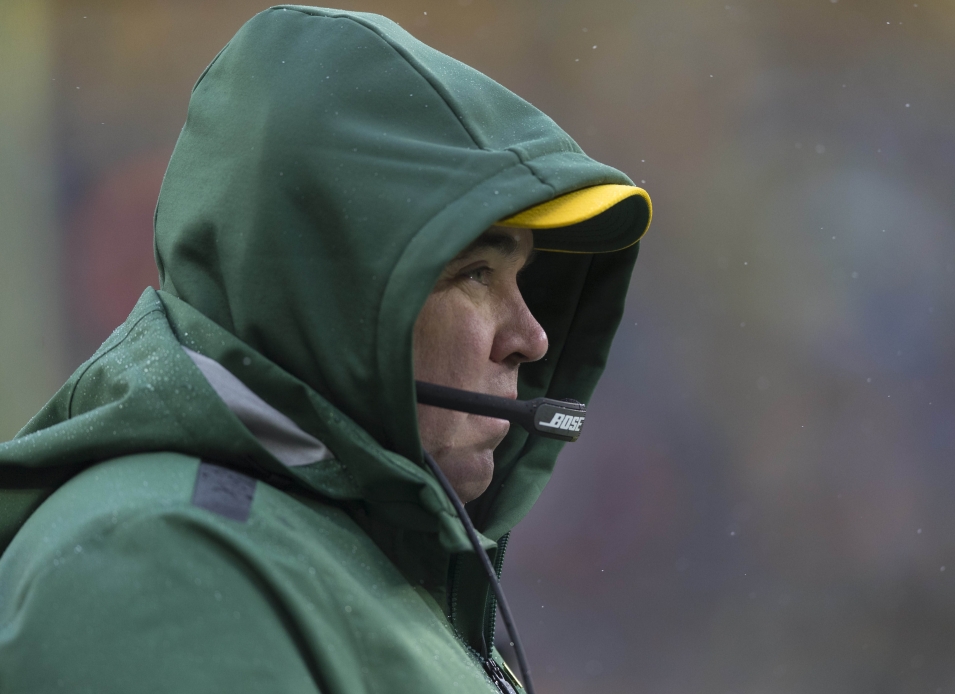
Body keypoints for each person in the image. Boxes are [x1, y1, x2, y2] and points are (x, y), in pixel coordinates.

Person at [0, 6, 651, 693]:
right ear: (336, 289)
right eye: (476, 274)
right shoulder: (154, 564)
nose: (532, 337)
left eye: (521, 279)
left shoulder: (372, 563)